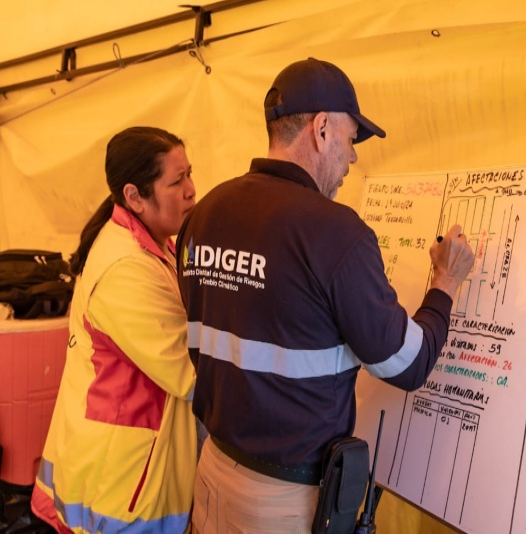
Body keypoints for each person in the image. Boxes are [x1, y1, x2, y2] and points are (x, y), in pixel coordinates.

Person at [177, 57, 475, 533]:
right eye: (351, 138)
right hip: (282, 503)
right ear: (321, 129)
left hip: (211, 470)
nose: (353, 158)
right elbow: (408, 364)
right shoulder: (336, 234)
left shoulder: (204, 213)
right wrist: (445, 284)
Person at [31, 126, 199, 533]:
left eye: (190, 174)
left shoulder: (154, 242)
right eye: (177, 181)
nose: (192, 190)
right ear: (134, 196)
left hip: (130, 465)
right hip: (120, 483)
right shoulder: (125, 269)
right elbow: (191, 371)